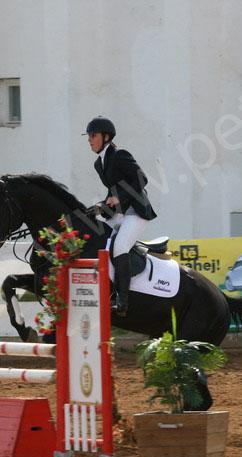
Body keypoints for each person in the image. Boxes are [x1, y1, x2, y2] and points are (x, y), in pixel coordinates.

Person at [85, 116, 157, 316]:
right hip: (120, 213)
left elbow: (141, 179)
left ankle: (123, 300)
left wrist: (118, 197)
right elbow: (112, 190)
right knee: (98, 234)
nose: (90, 140)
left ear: (106, 137)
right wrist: (101, 206)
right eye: (89, 136)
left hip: (136, 212)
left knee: (119, 246)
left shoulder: (119, 155)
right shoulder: (99, 164)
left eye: (93, 135)